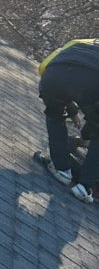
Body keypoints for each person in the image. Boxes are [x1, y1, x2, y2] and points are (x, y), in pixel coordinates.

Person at [38, 38, 99, 203]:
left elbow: (53, 70)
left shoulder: (81, 42)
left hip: (52, 74)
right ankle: (84, 187)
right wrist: (88, 137)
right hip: (92, 82)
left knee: (55, 115)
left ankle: (62, 169)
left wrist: (71, 111)